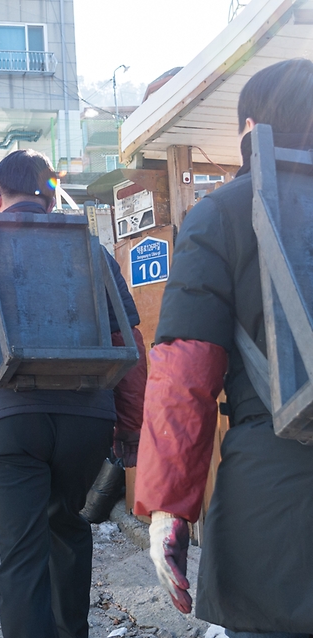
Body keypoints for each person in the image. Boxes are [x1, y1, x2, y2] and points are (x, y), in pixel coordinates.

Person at [0, 149, 141, 637]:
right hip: (87, 419)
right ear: (48, 195)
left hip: (6, 421)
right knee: (68, 530)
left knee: (21, 556)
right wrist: (129, 423)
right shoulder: (91, 249)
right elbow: (128, 341)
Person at [135, 58, 313, 636]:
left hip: (277, 491)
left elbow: (186, 368)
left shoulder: (223, 213)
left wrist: (170, 507)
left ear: (248, 129)